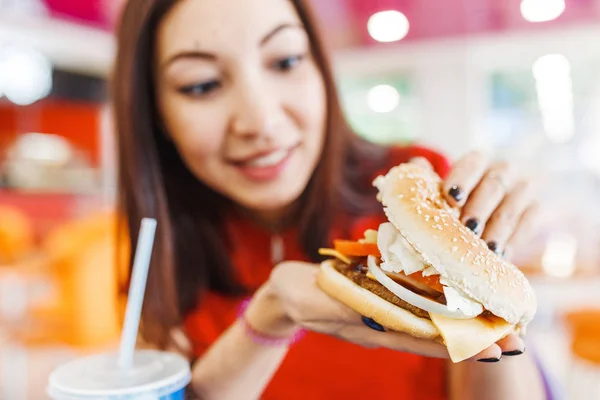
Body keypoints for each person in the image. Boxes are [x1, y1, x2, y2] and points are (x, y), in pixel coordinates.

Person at [112, 0, 547, 399]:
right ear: (157, 114)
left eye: (285, 61)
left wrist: (490, 290)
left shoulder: (422, 187)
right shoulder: (159, 246)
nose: (260, 121)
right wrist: (268, 318)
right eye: (202, 85)